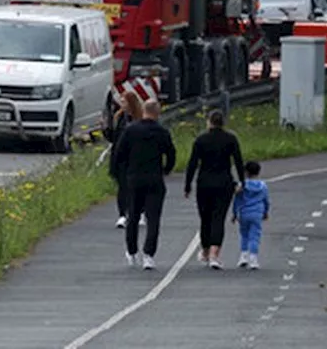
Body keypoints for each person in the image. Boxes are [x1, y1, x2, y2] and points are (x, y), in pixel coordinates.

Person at [110, 98, 177, 271]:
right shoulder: (162, 132)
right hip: (154, 179)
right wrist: (166, 170)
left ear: (144, 110)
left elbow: (119, 153)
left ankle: (132, 252)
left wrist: (122, 174)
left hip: (134, 179)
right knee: (153, 218)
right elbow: (171, 154)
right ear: (157, 113)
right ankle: (149, 254)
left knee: (133, 216)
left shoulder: (131, 130)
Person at [184, 109, 246, 270]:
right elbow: (238, 161)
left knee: (205, 218)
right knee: (218, 218)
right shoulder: (230, 139)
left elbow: (192, 163)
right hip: (224, 182)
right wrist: (242, 182)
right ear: (223, 122)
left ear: (209, 122)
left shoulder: (201, 140)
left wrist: (187, 185)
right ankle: (214, 254)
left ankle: (205, 250)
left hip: (204, 183)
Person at [105, 91, 144, 229]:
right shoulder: (119, 117)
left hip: (135, 158)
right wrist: (106, 129)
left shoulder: (139, 119)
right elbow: (113, 138)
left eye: (124, 101)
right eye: (121, 101)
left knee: (136, 187)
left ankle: (139, 212)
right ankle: (122, 215)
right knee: (122, 187)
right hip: (120, 158)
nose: (122, 104)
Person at [232, 161, 270, 270]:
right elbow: (266, 200)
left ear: (246, 172)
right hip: (257, 213)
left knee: (244, 235)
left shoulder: (242, 186)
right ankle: (253, 258)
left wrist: (235, 213)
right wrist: (266, 212)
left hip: (244, 213)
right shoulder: (263, 186)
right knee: (255, 236)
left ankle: (243, 256)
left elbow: (237, 200)